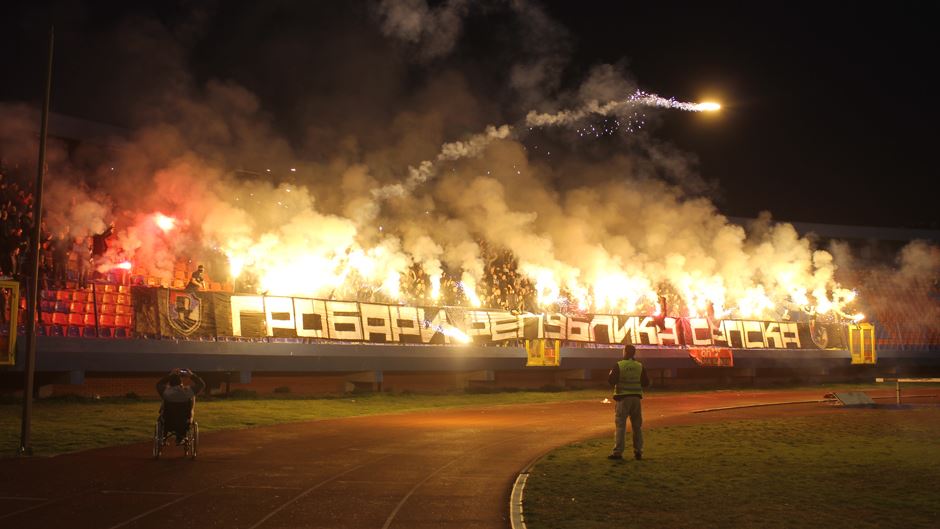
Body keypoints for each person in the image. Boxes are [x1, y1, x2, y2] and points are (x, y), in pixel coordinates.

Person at [607, 344, 651, 460]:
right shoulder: (639, 366)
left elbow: (611, 381)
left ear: (625, 352)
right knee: (637, 426)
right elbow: (646, 383)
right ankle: (638, 452)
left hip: (622, 398)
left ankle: (618, 452)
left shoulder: (619, 365)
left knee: (620, 426)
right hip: (636, 398)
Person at [156, 368, 206, 445]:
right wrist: (191, 375)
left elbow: (159, 384)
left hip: (168, 422)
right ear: (181, 384)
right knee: (191, 402)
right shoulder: (188, 392)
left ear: (170, 384)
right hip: (184, 422)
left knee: (163, 415)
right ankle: (180, 438)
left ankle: (163, 437)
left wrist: (170, 375)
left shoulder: (166, 392)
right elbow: (201, 385)